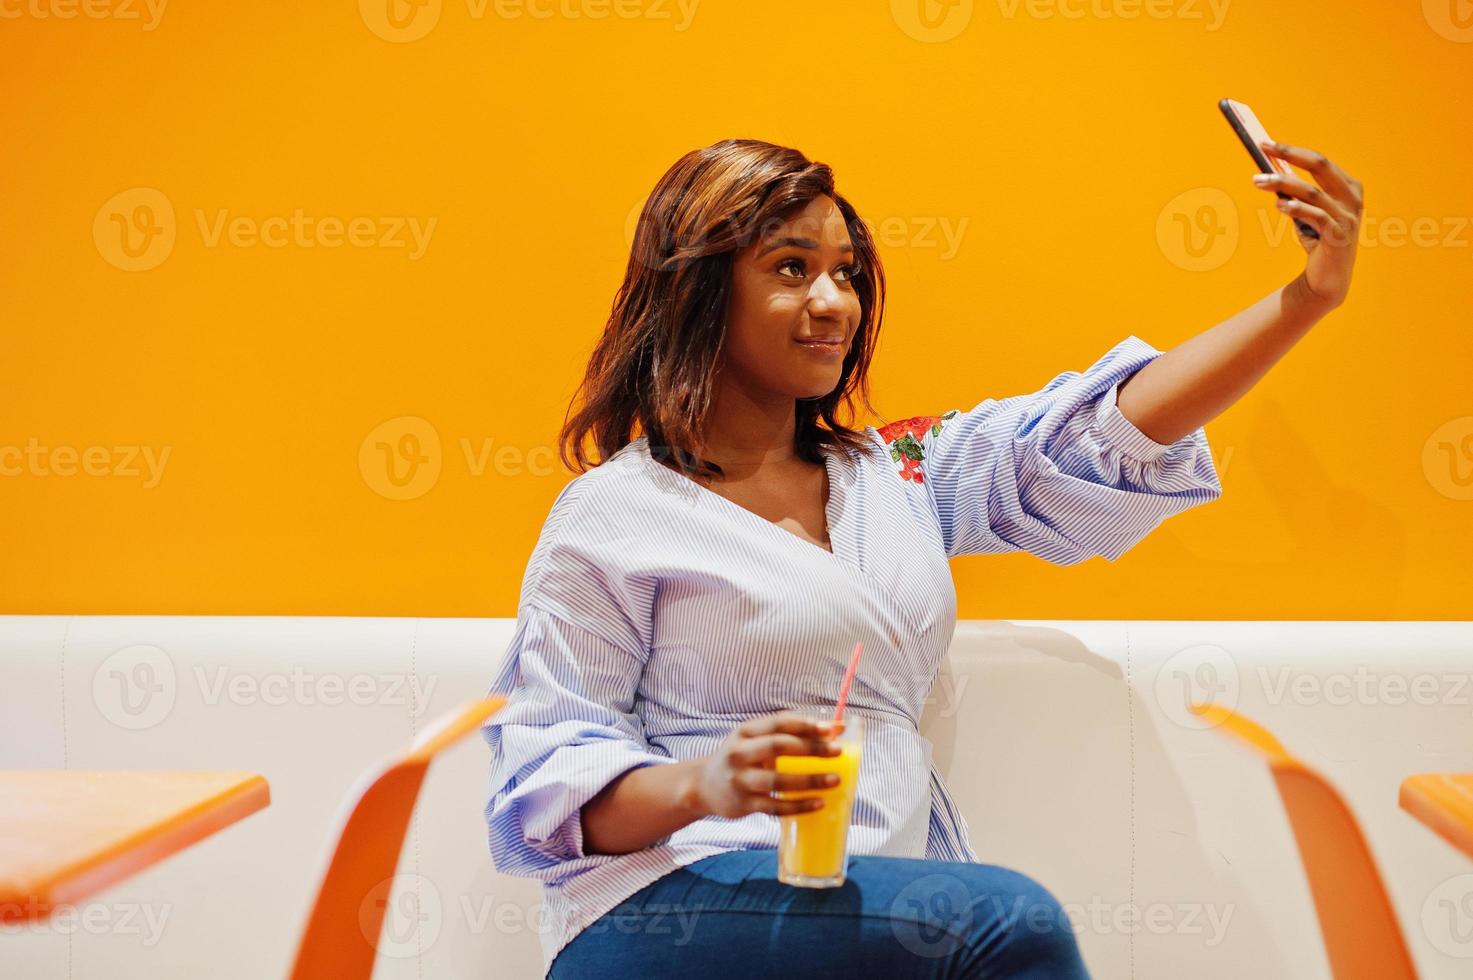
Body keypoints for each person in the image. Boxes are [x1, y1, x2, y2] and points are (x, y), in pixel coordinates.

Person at [482, 138, 1362, 978]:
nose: (834, 301)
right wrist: (706, 783)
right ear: (700, 292)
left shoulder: (893, 475)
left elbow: (1106, 428)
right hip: (663, 903)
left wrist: (1306, 298)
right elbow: (550, 786)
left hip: (861, 894)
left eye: (846, 273)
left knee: (981, 919)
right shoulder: (615, 513)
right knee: (1006, 922)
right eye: (791, 269)